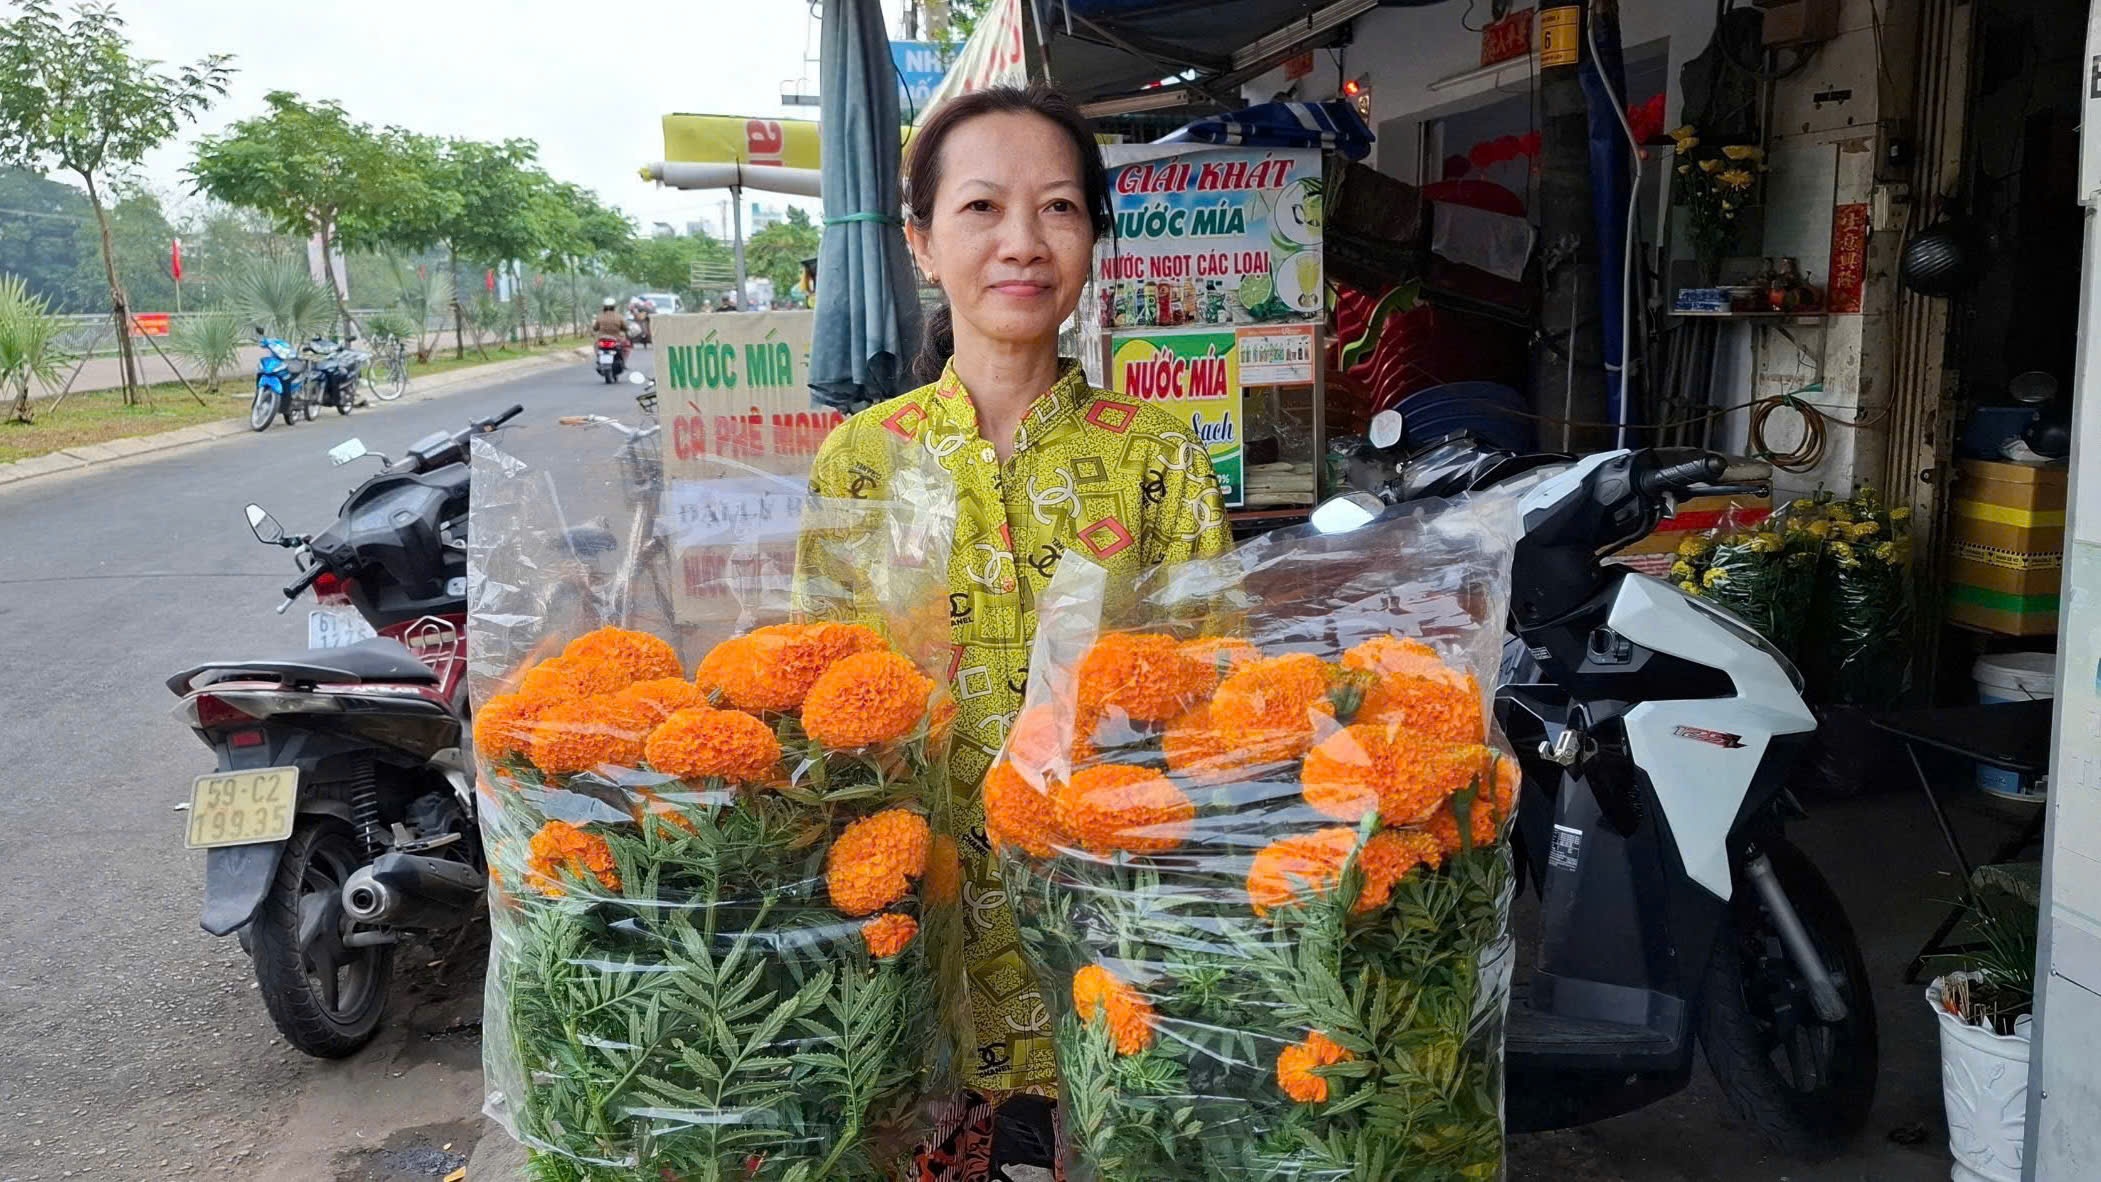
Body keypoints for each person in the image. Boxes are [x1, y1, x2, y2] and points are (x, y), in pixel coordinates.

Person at [803, 83, 1231, 1182]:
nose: (1022, 244)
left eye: (1059, 209)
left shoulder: (1157, 454)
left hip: (1102, 931)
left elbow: (1212, 693)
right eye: (982, 208)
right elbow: (821, 718)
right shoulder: (863, 460)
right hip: (915, 939)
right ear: (922, 242)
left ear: (1092, 236)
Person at [589, 298, 630, 362]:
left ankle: (599, 358)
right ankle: (623, 361)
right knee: (626, 347)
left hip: (602, 338)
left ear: (604, 306)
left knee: (596, 345)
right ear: (614, 306)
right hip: (616, 338)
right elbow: (625, 327)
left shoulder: (600, 316)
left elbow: (595, 328)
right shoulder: (619, 316)